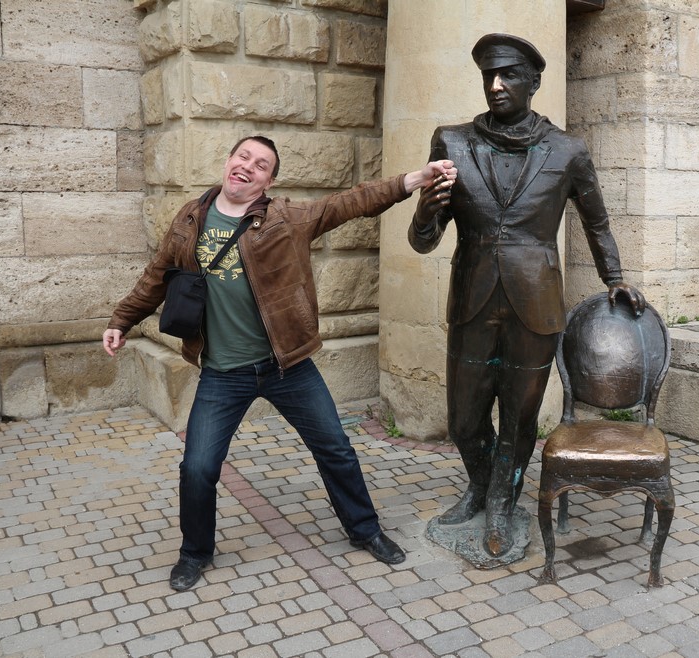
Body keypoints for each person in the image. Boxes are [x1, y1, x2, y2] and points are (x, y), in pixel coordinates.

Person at [104, 135, 456, 591]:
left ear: (268, 182)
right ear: (228, 161)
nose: (248, 166)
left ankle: (365, 530)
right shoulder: (190, 219)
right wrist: (122, 320)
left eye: (261, 165)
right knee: (197, 467)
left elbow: (351, 202)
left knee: (336, 449)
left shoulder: (285, 218)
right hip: (223, 374)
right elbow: (156, 276)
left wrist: (416, 179)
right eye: (243, 157)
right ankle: (194, 553)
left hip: (287, 367)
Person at [409, 34, 644, 558]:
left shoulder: (567, 149)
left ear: (534, 82)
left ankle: (499, 502)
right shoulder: (451, 142)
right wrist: (427, 209)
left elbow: (597, 222)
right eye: (488, 76)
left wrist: (614, 277)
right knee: (464, 419)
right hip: (472, 299)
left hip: (536, 302)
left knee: (518, 417)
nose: (496, 85)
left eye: (509, 75)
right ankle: (479, 485)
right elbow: (423, 241)